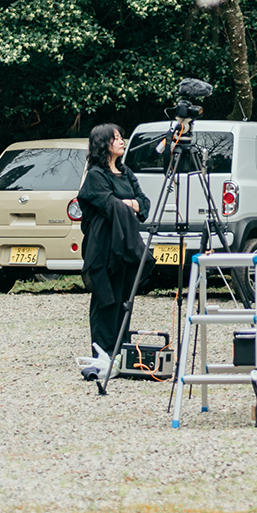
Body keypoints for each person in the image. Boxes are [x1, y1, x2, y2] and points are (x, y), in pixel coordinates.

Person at [78, 123, 151, 375]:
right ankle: (102, 351)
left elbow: (145, 204)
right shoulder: (96, 175)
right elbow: (107, 204)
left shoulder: (126, 172)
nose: (122, 141)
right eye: (116, 138)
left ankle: (120, 351)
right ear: (103, 144)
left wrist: (129, 203)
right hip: (104, 244)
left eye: (121, 137)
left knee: (123, 296)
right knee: (105, 296)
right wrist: (132, 205)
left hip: (126, 243)